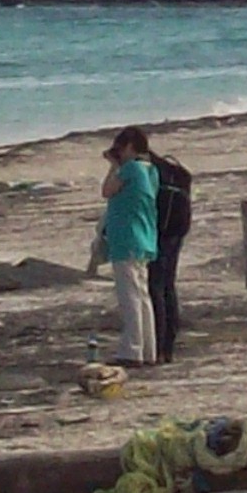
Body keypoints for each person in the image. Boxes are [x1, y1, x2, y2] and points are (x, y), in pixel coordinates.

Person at [100, 125, 159, 366]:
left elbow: (106, 190)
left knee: (130, 297)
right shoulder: (151, 170)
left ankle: (132, 350)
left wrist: (113, 166)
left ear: (130, 147)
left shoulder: (131, 169)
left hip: (127, 239)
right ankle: (147, 349)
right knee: (142, 295)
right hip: (143, 238)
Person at [147, 142, 193, 364]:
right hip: (177, 231)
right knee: (168, 286)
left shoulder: (149, 171)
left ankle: (159, 345)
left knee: (155, 287)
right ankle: (169, 345)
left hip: (161, 233)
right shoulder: (173, 170)